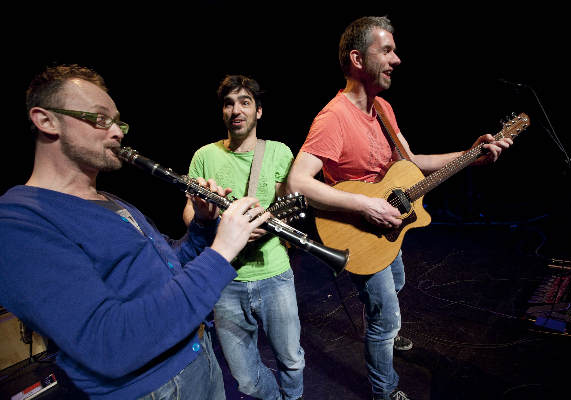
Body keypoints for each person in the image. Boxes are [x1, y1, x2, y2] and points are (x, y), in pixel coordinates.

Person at [0, 64, 272, 400]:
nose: (117, 132)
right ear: (46, 120)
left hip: (198, 360)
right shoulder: (19, 222)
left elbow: (173, 264)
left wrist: (203, 223)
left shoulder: (111, 202)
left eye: (118, 122)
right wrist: (222, 252)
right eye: (100, 119)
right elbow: (109, 344)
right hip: (153, 389)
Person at [286, 16, 513, 400]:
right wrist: (366, 205)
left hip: (386, 231)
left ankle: (380, 321)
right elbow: (298, 182)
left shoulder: (384, 109)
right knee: (385, 318)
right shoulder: (334, 118)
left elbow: (411, 163)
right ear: (358, 59)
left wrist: (471, 155)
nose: (397, 59)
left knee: (398, 283)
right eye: (387, 50)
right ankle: (384, 389)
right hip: (358, 233)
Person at [182, 75, 305, 400]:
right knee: (246, 379)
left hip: (275, 275)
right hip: (225, 281)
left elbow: (286, 207)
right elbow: (188, 214)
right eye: (229, 103)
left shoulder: (279, 152)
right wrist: (203, 214)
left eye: (245, 102)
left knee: (292, 361)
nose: (236, 109)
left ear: (259, 111)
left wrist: (266, 222)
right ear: (222, 111)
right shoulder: (204, 156)